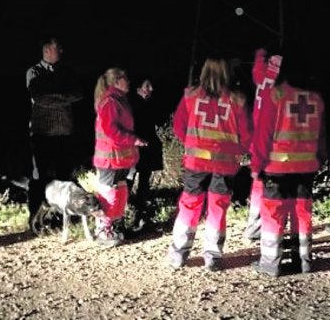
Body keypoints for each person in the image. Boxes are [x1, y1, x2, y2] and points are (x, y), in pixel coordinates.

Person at [167, 57, 251, 271]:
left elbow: (178, 126)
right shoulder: (238, 99)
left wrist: (193, 143)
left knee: (189, 203)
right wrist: (239, 151)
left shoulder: (190, 95)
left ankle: (179, 252)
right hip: (225, 163)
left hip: (196, 159)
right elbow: (247, 134)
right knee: (218, 206)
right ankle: (212, 255)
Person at [250, 47, 326, 277]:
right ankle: (304, 260)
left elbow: (263, 136)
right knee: (302, 212)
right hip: (306, 167)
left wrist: (256, 166)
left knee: (274, 214)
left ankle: (271, 263)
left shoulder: (275, 96)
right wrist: (319, 159)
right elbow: (322, 135)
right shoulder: (316, 99)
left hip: (277, 168)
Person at [25, 36, 83, 232]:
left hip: (64, 132)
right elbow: (39, 98)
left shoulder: (66, 72)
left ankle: (60, 218)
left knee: (64, 175)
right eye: (58, 48)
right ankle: (35, 218)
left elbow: (78, 93)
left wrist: (55, 96)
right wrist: (64, 98)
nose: (61, 51)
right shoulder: (34, 72)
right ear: (47, 49)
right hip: (42, 133)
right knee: (40, 177)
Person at [93, 67, 148, 247]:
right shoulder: (110, 102)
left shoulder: (119, 100)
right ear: (116, 81)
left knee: (119, 191)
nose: (129, 82)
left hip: (118, 158)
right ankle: (103, 230)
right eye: (125, 79)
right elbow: (111, 130)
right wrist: (133, 140)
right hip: (109, 158)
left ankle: (114, 227)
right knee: (109, 192)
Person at [243, 48, 282, 241]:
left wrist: (259, 54)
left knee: (259, 183)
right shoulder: (283, 81)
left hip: (258, 137)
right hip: (278, 139)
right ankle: (270, 228)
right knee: (278, 189)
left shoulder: (261, 76)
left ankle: (254, 226)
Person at [126, 75, 163, 233]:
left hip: (147, 146)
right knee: (128, 180)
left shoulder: (150, 103)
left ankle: (140, 215)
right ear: (138, 87)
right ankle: (123, 215)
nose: (151, 89)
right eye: (147, 86)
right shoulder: (131, 104)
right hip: (135, 147)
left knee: (144, 182)